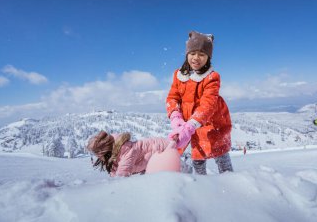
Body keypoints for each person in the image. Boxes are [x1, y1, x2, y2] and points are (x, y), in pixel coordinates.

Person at [166, 30, 234, 175]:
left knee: (219, 152)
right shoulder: (179, 76)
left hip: (212, 122)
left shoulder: (212, 77)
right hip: (190, 124)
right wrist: (175, 115)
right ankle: (200, 186)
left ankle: (230, 180)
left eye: (202, 54)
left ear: (208, 58)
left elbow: (208, 105)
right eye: (193, 53)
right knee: (197, 156)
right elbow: (173, 97)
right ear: (187, 55)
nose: (196, 58)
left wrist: (192, 124)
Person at [87, 130, 177, 177]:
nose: (97, 157)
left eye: (97, 154)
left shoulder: (126, 151)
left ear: (104, 151)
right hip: (160, 147)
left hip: (162, 149)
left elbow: (121, 176)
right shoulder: (116, 152)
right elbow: (116, 169)